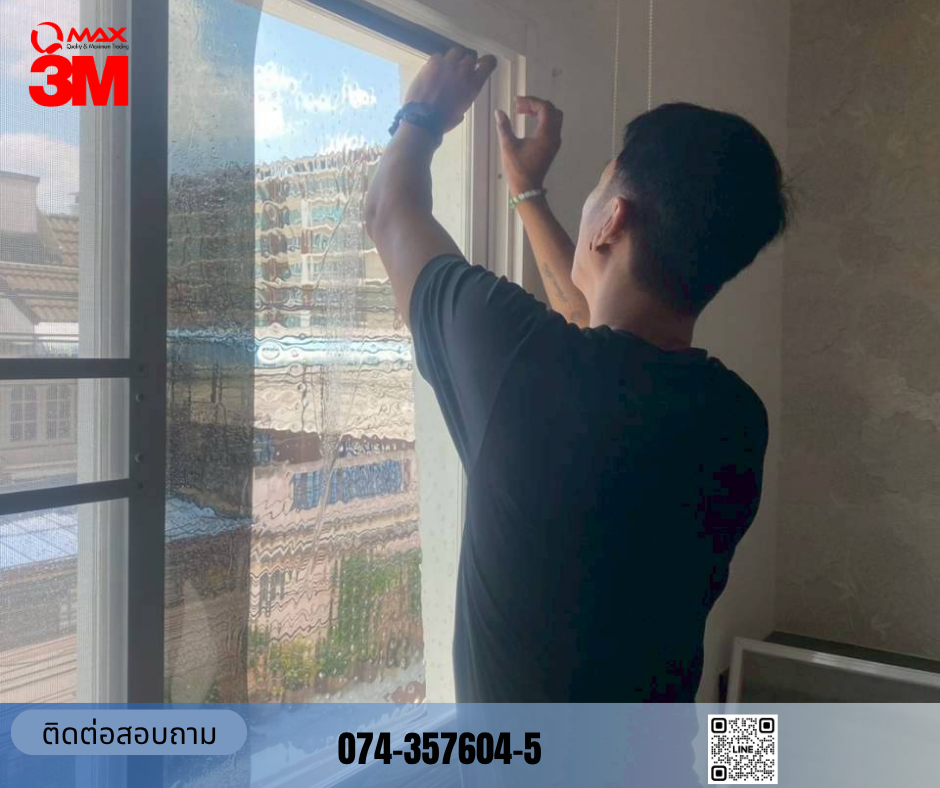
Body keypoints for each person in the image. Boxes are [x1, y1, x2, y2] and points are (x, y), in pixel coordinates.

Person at [364, 47, 787, 702]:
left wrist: (423, 113)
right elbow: (591, 330)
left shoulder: (520, 363)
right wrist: (527, 192)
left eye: (599, 187)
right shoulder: (735, 418)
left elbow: (388, 212)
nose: (592, 199)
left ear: (612, 219)